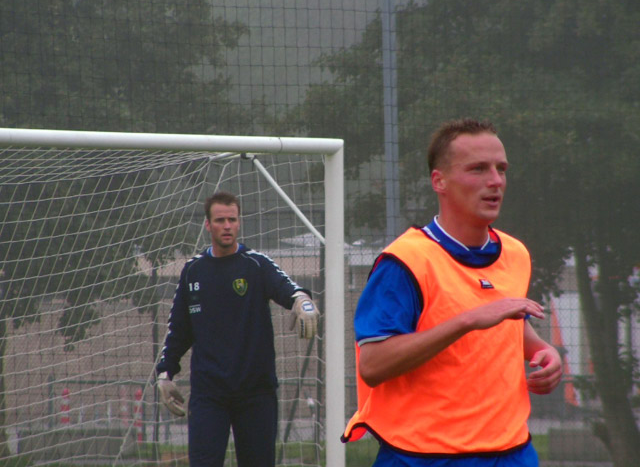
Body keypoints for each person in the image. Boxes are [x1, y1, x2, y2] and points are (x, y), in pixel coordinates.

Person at [342, 118, 563, 466]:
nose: (495, 181)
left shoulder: (515, 253)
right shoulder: (406, 261)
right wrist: (467, 321)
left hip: (511, 453)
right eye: (478, 169)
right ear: (439, 181)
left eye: (501, 169)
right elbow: (373, 363)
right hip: (424, 456)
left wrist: (542, 350)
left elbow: (505, 323)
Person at [156, 191, 319, 467]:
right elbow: (178, 331)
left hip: (256, 392)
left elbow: (288, 289)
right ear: (208, 225)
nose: (227, 225)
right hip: (209, 393)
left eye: (232, 219)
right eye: (220, 220)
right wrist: (165, 372)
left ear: (239, 222)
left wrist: (302, 300)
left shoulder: (256, 264)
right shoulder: (192, 272)